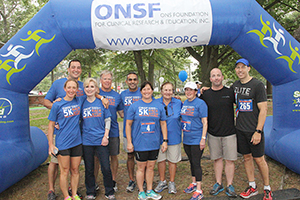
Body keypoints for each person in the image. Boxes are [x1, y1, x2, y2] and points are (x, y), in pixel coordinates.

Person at [44, 59, 84, 200]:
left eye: (74, 88)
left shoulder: (79, 101)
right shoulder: (57, 105)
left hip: (77, 142)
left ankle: (74, 194)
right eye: (69, 88)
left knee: (75, 170)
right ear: (65, 89)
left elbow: (93, 92)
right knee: (64, 171)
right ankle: (66, 196)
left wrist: (101, 97)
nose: (72, 90)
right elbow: (50, 125)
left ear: (77, 90)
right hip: (63, 143)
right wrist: (51, 144)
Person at [233, 58, 272, 200]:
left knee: (259, 159)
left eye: (243, 67)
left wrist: (258, 131)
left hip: (254, 130)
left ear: (249, 68)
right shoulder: (235, 86)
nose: (240, 70)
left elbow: (264, 109)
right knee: (247, 157)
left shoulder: (258, 85)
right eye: (238, 67)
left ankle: (267, 188)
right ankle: (252, 186)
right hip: (240, 129)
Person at [126, 81, 168, 200]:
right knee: (141, 168)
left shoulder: (159, 105)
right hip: (140, 143)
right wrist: (129, 142)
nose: (146, 92)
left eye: (149, 89)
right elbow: (128, 125)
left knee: (150, 167)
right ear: (141, 92)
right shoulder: (134, 106)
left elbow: (163, 124)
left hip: (154, 142)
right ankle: (141, 191)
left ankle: (149, 190)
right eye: (144, 89)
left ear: (152, 91)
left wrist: (165, 140)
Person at [201, 68, 238, 197]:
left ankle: (230, 185)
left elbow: (241, 103)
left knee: (230, 160)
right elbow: (195, 104)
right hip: (213, 133)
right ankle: (218, 183)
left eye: (218, 75)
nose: (216, 78)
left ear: (222, 77)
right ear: (210, 79)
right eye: (213, 76)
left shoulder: (230, 92)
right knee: (217, 159)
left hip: (229, 132)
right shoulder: (205, 94)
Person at [81, 78, 116, 200]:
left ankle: (109, 191)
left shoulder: (102, 102)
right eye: (87, 87)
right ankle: (90, 191)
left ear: (96, 89)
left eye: (92, 87)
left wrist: (105, 136)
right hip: (87, 141)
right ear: (84, 89)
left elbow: (108, 120)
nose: (89, 89)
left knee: (106, 167)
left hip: (101, 139)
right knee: (89, 168)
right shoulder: (81, 102)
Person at [154, 82, 182, 194]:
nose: (168, 92)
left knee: (172, 160)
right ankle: (162, 181)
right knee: (160, 160)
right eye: (165, 90)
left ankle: (171, 182)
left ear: (173, 92)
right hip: (159, 137)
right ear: (161, 91)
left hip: (174, 136)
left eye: (170, 90)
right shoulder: (155, 103)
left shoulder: (178, 103)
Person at [181, 81, 208, 200]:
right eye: (186, 90)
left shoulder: (201, 103)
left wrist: (203, 138)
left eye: (191, 90)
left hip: (197, 139)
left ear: (195, 91)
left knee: (196, 163)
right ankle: (193, 183)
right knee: (191, 161)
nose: (188, 92)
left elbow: (205, 122)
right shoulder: (185, 103)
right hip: (187, 138)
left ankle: (199, 190)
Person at [99, 70, 124, 192]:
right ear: (100, 80)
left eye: (109, 79)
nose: (107, 81)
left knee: (114, 156)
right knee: (96, 158)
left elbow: (122, 113)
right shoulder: (96, 92)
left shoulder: (117, 96)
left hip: (113, 131)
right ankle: (94, 181)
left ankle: (112, 180)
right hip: (98, 131)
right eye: (105, 79)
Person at [120, 72, 142, 192]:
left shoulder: (142, 92)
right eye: (130, 80)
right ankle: (132, 179)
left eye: (134, 79)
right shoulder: (122, 94)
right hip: (128, 131)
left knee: (141, 156)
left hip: (141, 131)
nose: (132, 81)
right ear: (127, 81)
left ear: (137, 81)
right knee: (130, 155)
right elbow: (120, 110)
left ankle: (141, 178)